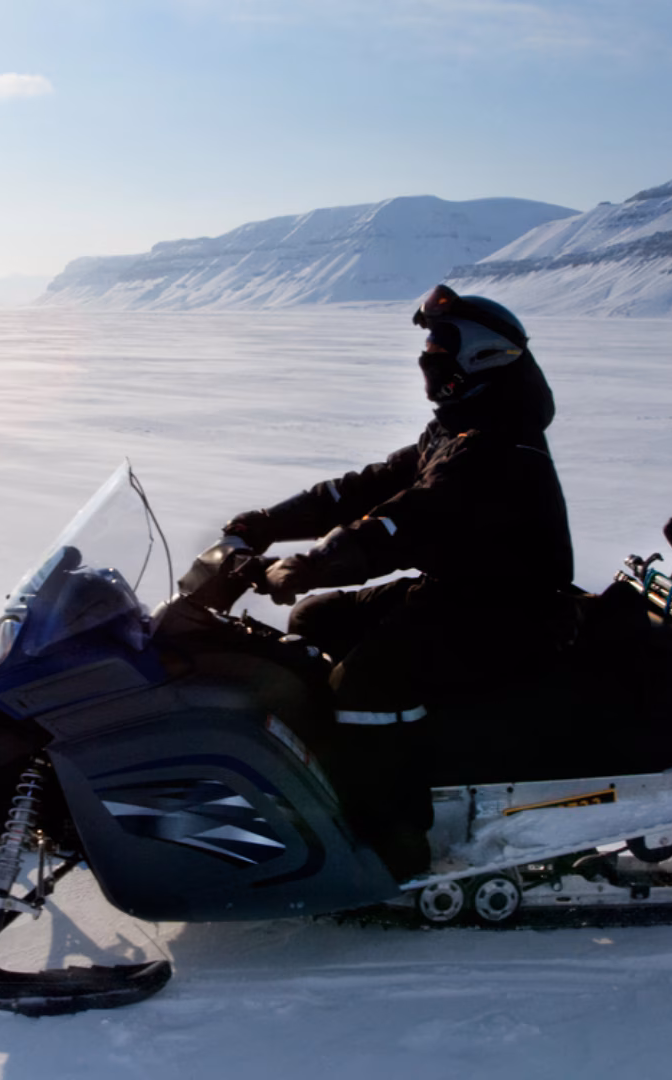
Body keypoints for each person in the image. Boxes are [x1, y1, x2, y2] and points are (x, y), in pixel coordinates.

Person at [223, 283, 577, 876]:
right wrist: (265, 524)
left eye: (439, 346)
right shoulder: (457, 428)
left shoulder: (498, 443)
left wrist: (309, 565)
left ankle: (393, 837)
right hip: (464, 591)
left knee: (368, 681)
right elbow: (362, 489)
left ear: (478, 357)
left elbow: (405, 522)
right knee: (316, 619)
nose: (427, 356)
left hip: (510, 612)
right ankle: (327, 778)